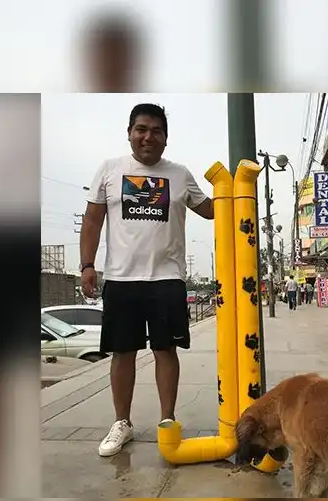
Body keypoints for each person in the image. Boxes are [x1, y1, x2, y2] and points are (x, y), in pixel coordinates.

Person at [80, 103, 215, 458]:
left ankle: (167, 420)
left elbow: (213, 210)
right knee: (123, 352)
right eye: (141, 129)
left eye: (156, 131)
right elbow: (92, 220)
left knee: (165, 350)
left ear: (166, 139)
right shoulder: (109, 171)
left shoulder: (180, 174)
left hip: (167, 279)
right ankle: (121, 423)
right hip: (122, 280)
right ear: (129, 133)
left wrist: (241, 191)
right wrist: (87, 265)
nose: (148, 136)